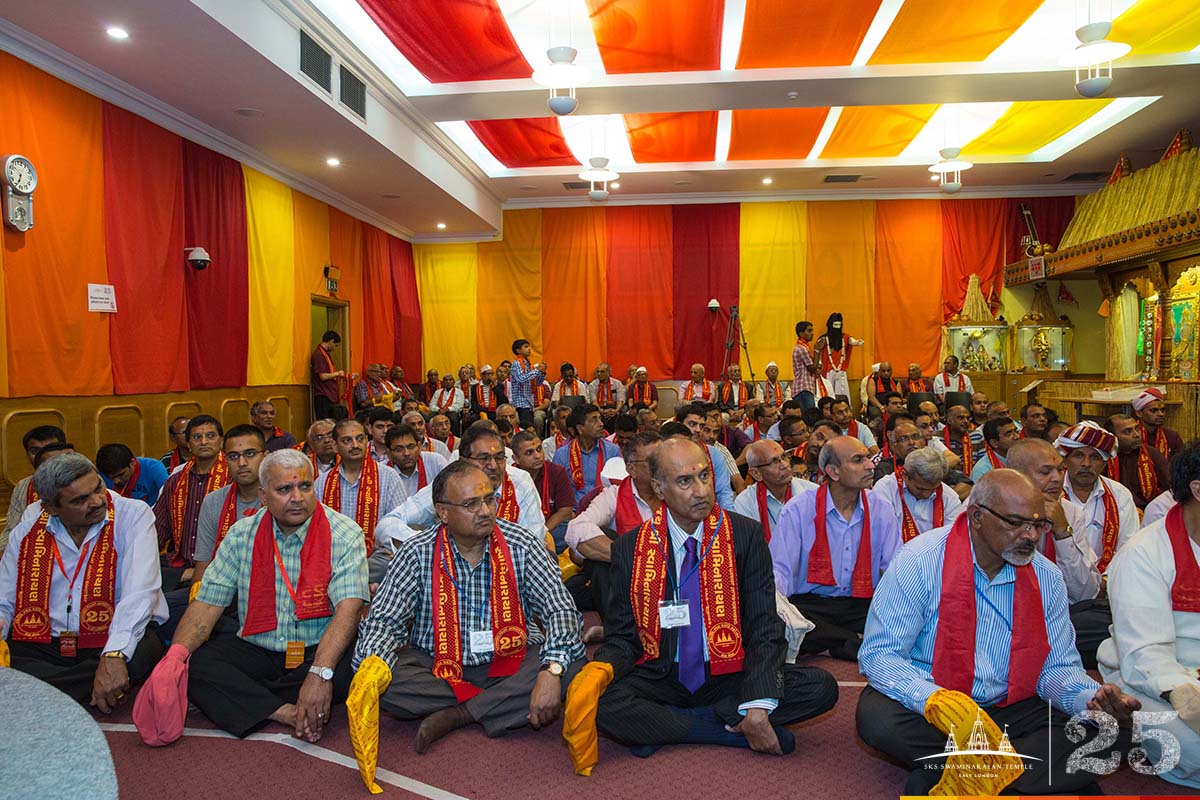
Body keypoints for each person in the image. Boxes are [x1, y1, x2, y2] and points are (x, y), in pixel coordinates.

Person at [856, 469, 1140, 796]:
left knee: (1119, 730)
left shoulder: (1045, 576)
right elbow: (880, 655)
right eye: (1016, 522)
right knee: (877, 718)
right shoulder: (920, 560)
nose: (1031, 536)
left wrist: (1090, 700)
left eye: (1037, 524)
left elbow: (1057, 669)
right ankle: (1018, 777)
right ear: (976, 516)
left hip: (1013, 706)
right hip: (938, 712)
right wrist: (935, 700)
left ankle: (957, 774)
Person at [581, 438, 838, 761]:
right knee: (594, 695)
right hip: (660, 672)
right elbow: (622, 637)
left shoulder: (744, 535)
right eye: (685, 481)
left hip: (729, 672)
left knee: (820, 686)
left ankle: (663, 726)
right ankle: (724, 730)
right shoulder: (630, 548)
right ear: (659, 489)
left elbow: (764, 625)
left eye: (704, 476)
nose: (701, 491)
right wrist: (600, 669)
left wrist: (758, 702)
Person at [352, 460, 585, 754]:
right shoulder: (416, 551)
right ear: (442, 512)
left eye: (489, 499)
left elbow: (561, 611)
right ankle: (493, 705)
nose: (486, 511)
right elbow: (384, 621)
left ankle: (458, 714)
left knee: (571, 665)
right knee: (383, 679)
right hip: (437, 665)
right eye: (471, 504)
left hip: (512, 659)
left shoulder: (521, 543)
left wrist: (551, 671)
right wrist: (373, 664)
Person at [155, 449, 368, 739]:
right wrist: (174, 659)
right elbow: (208, 603)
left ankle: (258, 699)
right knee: (197, 664)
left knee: (354, 664)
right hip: (258, 647)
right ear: (263, 495)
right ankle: (285, 710)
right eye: (284, 489)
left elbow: (349, 609)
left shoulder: (344, 533)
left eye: (305, 486)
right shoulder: (242, 534)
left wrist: (320, 673)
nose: (297, 497)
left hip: (317, 649)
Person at [0, 453, 166, 707]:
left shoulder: (132, 514)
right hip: (44, 641)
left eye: (98, 487)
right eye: (80, 500)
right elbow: (4, 597)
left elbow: (140, 591)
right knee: (10, 657)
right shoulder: (29, 528)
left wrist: (114, 654)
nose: (98, 501)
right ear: (51, 508)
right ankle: (75, 688)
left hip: (111, 636)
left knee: (144, 652)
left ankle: (35, 691)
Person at [1098, 441, 1200, 790]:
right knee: (1190, 746)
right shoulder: (1143, 554)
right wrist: (1187, 697)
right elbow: (1145, 653)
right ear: (1198, 490)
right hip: (1158, 679)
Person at [771, 436, 899, 660]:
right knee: (787, 621)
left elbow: (895, 567)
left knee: (907, 619)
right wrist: (779, 611)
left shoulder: (881, 507)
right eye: (858, 460)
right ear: (833, 471)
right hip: (813, 605)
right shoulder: (799, 510)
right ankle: (854, 643)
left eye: (868, 458)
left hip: (863, 603)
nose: (871, 465)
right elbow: (781, 570)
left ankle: (835, 642)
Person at [1005, 438, 1105, 665]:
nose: (1057, 479)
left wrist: (1062, 532)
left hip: (1057, 616)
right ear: (1014, 475)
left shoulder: (1069, 513)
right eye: (1045, 472)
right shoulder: (988, 508)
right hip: (1004, 614)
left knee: (1107, 625)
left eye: (1060, 469)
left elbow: (1086, 594)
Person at [383, 426, 546, 546]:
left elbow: (533, 541)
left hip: (509, 568)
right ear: (464, 461)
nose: (494, 466)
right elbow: (389, 523)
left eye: (499, 457)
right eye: (484, 458)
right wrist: (426, 547)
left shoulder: (520, 481)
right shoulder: (450, 483)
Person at [566, 432, 662, 616]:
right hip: (625, 580)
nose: (663, 467)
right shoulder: (614, 495)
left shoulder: (677, 493)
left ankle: (613, 625)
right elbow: (576, 529)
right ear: (632, 469)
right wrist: (635, 558)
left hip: (671, 576)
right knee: (601, 540)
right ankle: (618, 628)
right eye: (653, 461)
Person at [153, 416, 230, 585]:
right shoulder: (176, 481)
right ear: (188, 443)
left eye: (210, 436)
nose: (204, 442)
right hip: (180, 564)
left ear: (221, 441)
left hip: (222, 567)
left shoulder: (233, 478)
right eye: (197, 437)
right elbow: (159, 528)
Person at [1057, 421, 1138, 576]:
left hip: (1108, 582)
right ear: (1065, 460)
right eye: (1078, 455)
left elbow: (1128, 548)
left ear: (1104, 463)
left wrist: (1107, 581)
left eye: (1094, 457)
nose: (1086, 464)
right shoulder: (1051, 493)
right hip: (1059, 581)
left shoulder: (1119, 495)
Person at [315, 419, 403, 555]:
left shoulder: (389, 477)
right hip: (334, 557)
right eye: (347, 441)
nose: (355, 445)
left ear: (367, 441)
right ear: (335, 446)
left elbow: (399, 524)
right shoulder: (322, 483)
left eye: (360, 439)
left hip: (376, 557)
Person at [871, 446, 963, 541]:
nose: (927, 495)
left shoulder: (949, 497)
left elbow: (952, 538)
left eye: (933, 489)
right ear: (905, 475)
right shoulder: (885, 490)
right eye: (921, 488)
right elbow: (879, 535)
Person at [734, 441, 817, 542]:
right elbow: (748, 544)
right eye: (774, 462)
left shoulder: (813, 492)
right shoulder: (745, 502)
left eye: (784, 457)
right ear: (756, 474)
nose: (785, 465)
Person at [511, 430, 574, 552]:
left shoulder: (557, 472)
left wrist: (540, 533)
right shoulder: (509, 477)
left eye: (539, 449)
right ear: (516, 459)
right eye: (529, 452)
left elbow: (566, 511)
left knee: (572, 530)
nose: (538, 456)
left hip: (550, 528)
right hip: (520, 532)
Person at [553, 404, 622, 505]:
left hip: (604, 510)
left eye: (600, 419)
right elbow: (557, 492)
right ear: (580, 428)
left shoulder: (613, 451)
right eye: (594, 420)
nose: (601, 424)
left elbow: (618, 488)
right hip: (573, 512)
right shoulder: (562, 455)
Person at [672, 405, 737, 511]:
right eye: (692, 424)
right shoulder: (665, 454)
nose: (698, 430)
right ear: (679, 424)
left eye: (701, 426)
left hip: (709, 513)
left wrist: (728, 520)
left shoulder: (714, 453)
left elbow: (724, 493)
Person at [1105, 413, 1169, 510]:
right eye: (1128, 431)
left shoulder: (1152, 454)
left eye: (1137, 429)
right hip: (1113, 509)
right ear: (1112, 436)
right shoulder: (1104, 458)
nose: (1137, 435)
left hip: (1149, 509)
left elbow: (1170, 485)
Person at [386, 424, 447, 503]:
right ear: (388, 453)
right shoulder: (383, 473)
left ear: (419, 447)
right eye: (399, 449)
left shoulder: (436, 462)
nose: (406, 453)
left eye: (411, 447)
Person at [95, 444, 168, 506]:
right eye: (110, 477)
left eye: (121, 475)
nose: (116, 481)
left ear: (132, 463)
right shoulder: (101, 475)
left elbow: (168, 494)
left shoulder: (153, 468)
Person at [1131, 387, 1183, 460]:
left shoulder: (1172, 436)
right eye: (1154, 410)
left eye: (1162, 410)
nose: (1160, 414)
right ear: (1139, 413)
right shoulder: (1130, 436)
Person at [310, 330, 349, 420]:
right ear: (331, 341)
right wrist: (337, 373)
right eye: (335, 345)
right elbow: (323, 376)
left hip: (329, 394)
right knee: (326, 422)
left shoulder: (325, 354)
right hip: (323, 395)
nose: (335, 348)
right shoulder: (319, 355)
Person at [969, 416, 1018, 482]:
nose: (1016, 436)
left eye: (1016, 431)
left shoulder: (1024, 458)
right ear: (994, 443)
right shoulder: (982, 471)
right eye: (1008, 434)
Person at [940, 404, 982, 475]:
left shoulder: (976, 436)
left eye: (968, 418)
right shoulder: (937, 438)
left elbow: (982, 464)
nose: (966, 421)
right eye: (961, 418)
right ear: (950, 421)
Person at [790, 321, 819, 410]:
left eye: (812, 331)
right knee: (809, 416)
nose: (812, 333)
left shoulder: (805, 347)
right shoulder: (801, 348)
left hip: (805, 388)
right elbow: (812, 368)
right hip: (803, 388)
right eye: (809, 331)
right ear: (801, 334)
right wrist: (817, 351)